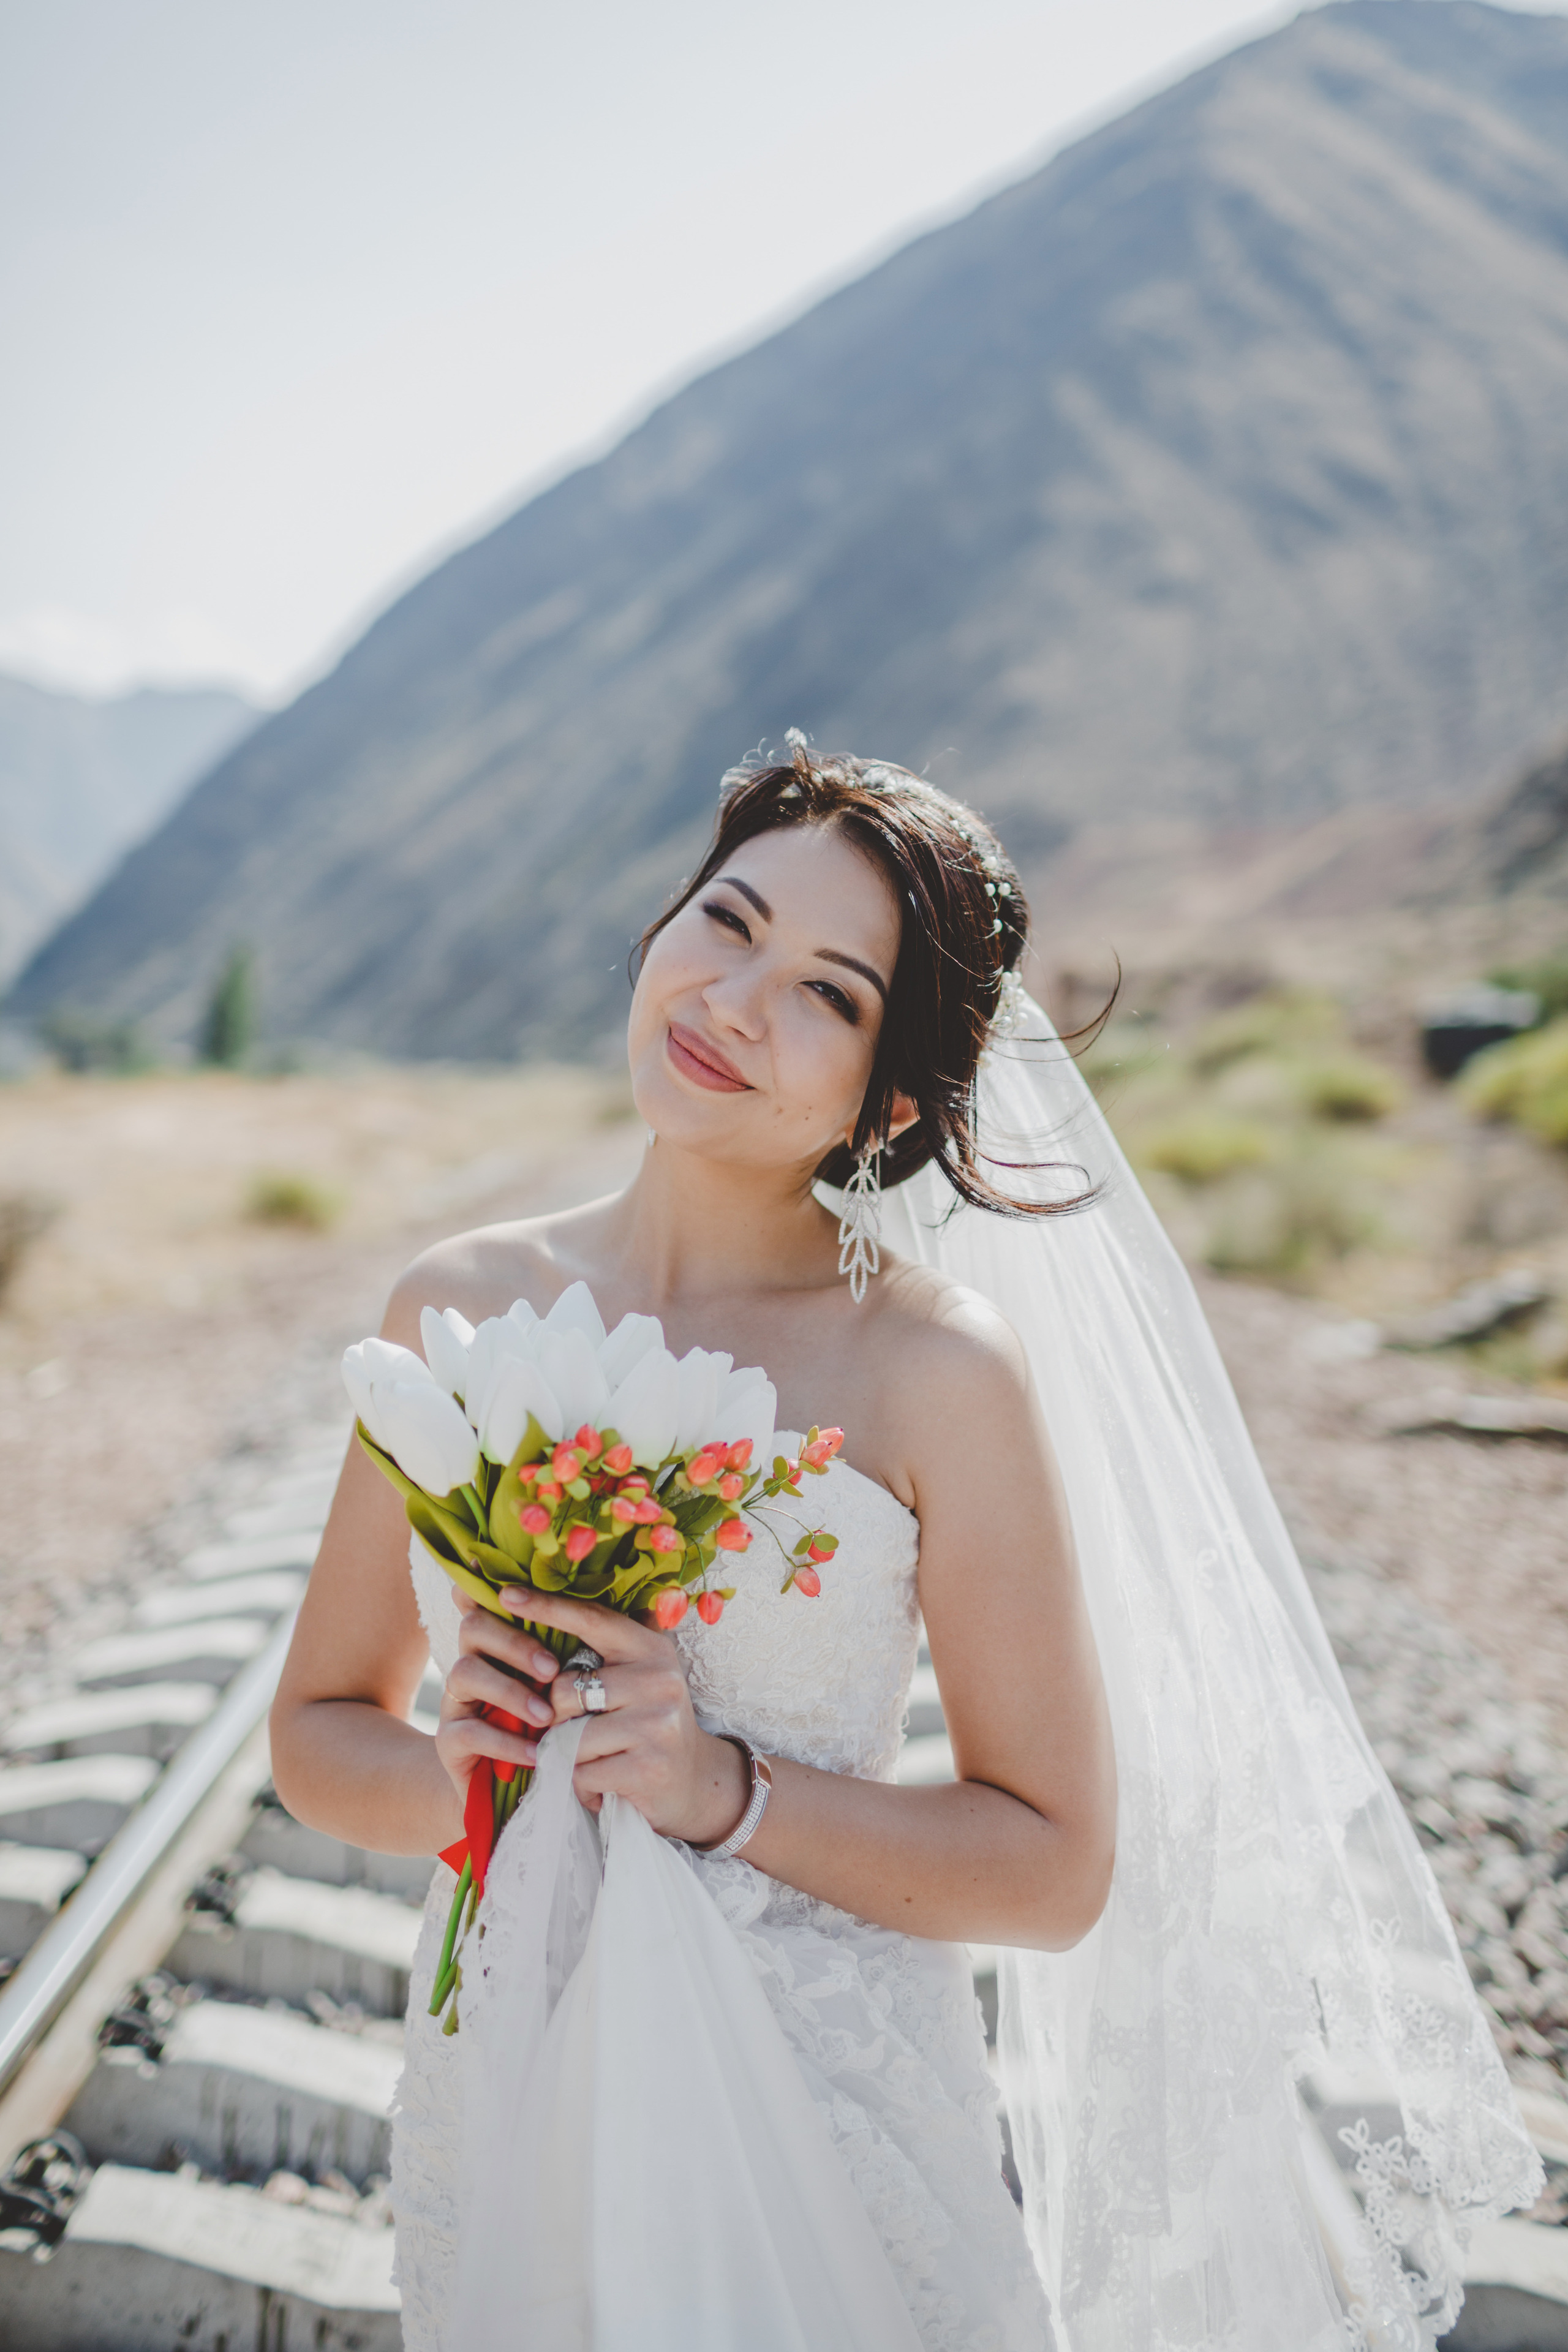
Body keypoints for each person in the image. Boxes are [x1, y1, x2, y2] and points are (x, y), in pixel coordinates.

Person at [270, 738, 1540, 2351]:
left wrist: (723, 1791)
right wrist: (466, 1766)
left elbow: (1054, 1864)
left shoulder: (932, 1370)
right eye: (727, 922)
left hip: (834, 2118)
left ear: (896, 1095)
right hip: (511, 2073)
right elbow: (318, 1736)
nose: (735, 999)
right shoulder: (456, 1303)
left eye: (827, 992)